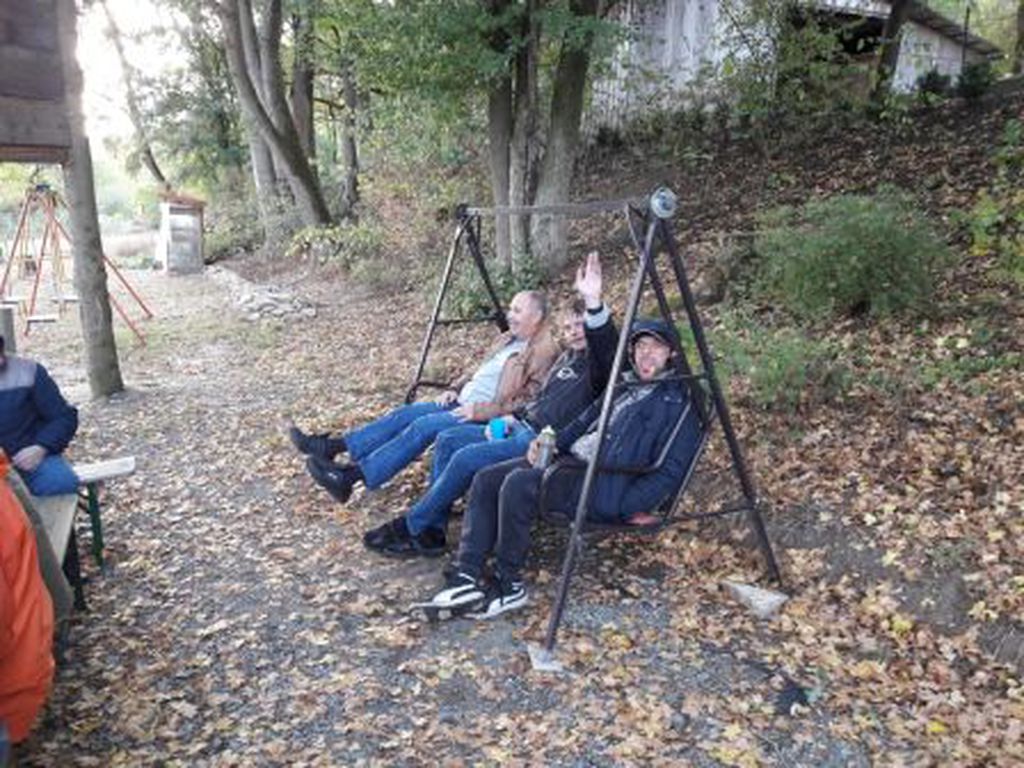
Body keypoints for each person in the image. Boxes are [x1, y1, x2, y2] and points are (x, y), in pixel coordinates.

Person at [420, 317, 705, 619]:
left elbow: (669, 472)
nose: (646, 354)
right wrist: (550, 442)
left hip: (604, 484)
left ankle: (509, 583)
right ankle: (467, 573)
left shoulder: (679, 405)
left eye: (656, 348)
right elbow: (582, 423)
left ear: (671, 353)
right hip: (573, 464)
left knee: (519, 484)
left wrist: (624, 505)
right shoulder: (624, 385)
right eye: (641, 346)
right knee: (487, 477)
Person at [364, 252, 618, 558]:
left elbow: (606, 347)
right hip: (518, 425)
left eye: (581, 326)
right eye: (568, 327)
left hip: (540, 442)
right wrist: (511, 417)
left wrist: (593, 301)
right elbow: (539, 400)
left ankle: (412, 525)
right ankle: (433, 530)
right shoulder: (567, 359)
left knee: (465, 458)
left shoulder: (599, 369)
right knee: (446, 439)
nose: (575, 332)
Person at [292, 290, 559, 505]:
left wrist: (480, 411)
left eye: (517, 310)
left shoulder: (543, 352)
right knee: (404, 414)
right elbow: (478, 371)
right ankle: (333, 447)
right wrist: (454, 387)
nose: (509, 315)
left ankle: (351, 476)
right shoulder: (507, 340)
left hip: (484, 416)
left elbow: (529, 402)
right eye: (510, 308)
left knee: (422, 427)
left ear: (536, 317)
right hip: (460, 401)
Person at [0, 335, 79, 497]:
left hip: (30, 459)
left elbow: (64, 417)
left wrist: (41, 447)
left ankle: (55, 521)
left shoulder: (29, 371)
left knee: (60, 481)